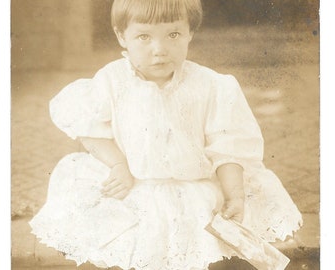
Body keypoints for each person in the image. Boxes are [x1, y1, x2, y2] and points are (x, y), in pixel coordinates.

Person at [29, 0, 303, 269]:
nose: (159, 50)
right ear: (122, 36)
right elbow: (88, 128)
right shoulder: (112, 80)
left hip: (196, 185)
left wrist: (235, 195)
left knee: (201, 239)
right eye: (143, 37)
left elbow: (228, 145)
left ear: (190, 33)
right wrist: (117, 164)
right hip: (136, 182)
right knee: (119, 233)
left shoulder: (211, 85)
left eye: (173, 35)